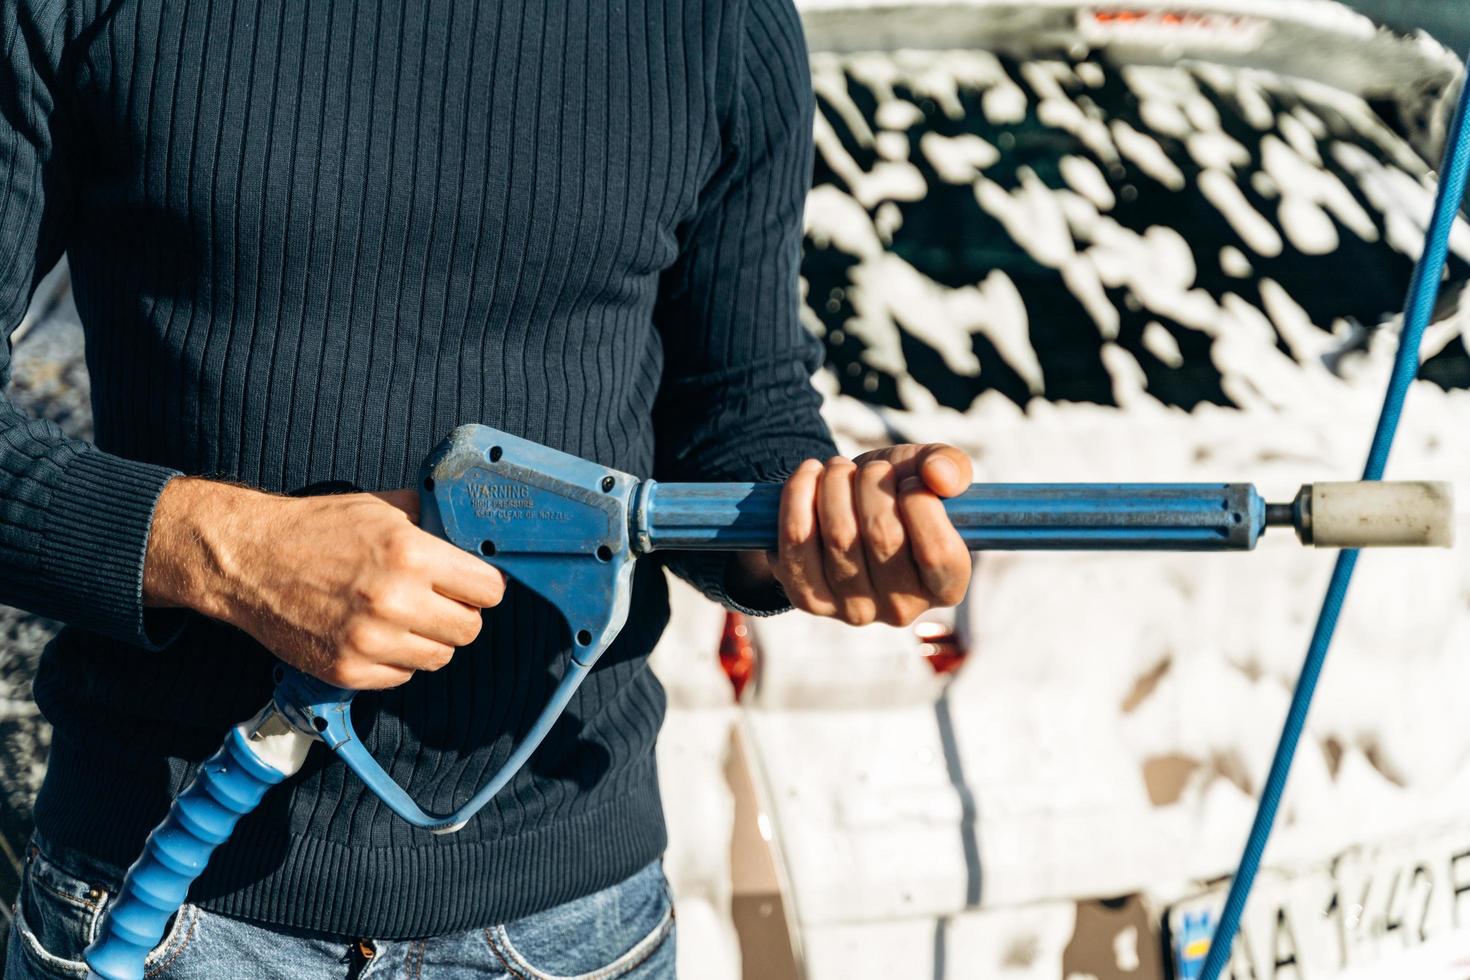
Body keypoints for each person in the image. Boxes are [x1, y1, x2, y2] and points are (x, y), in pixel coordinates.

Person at [0, 0, 973, 976]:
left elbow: (739, 412)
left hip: (575, 925)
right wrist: (224, 552)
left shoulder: (718, 21)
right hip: (163, 899)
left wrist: (819, 525)